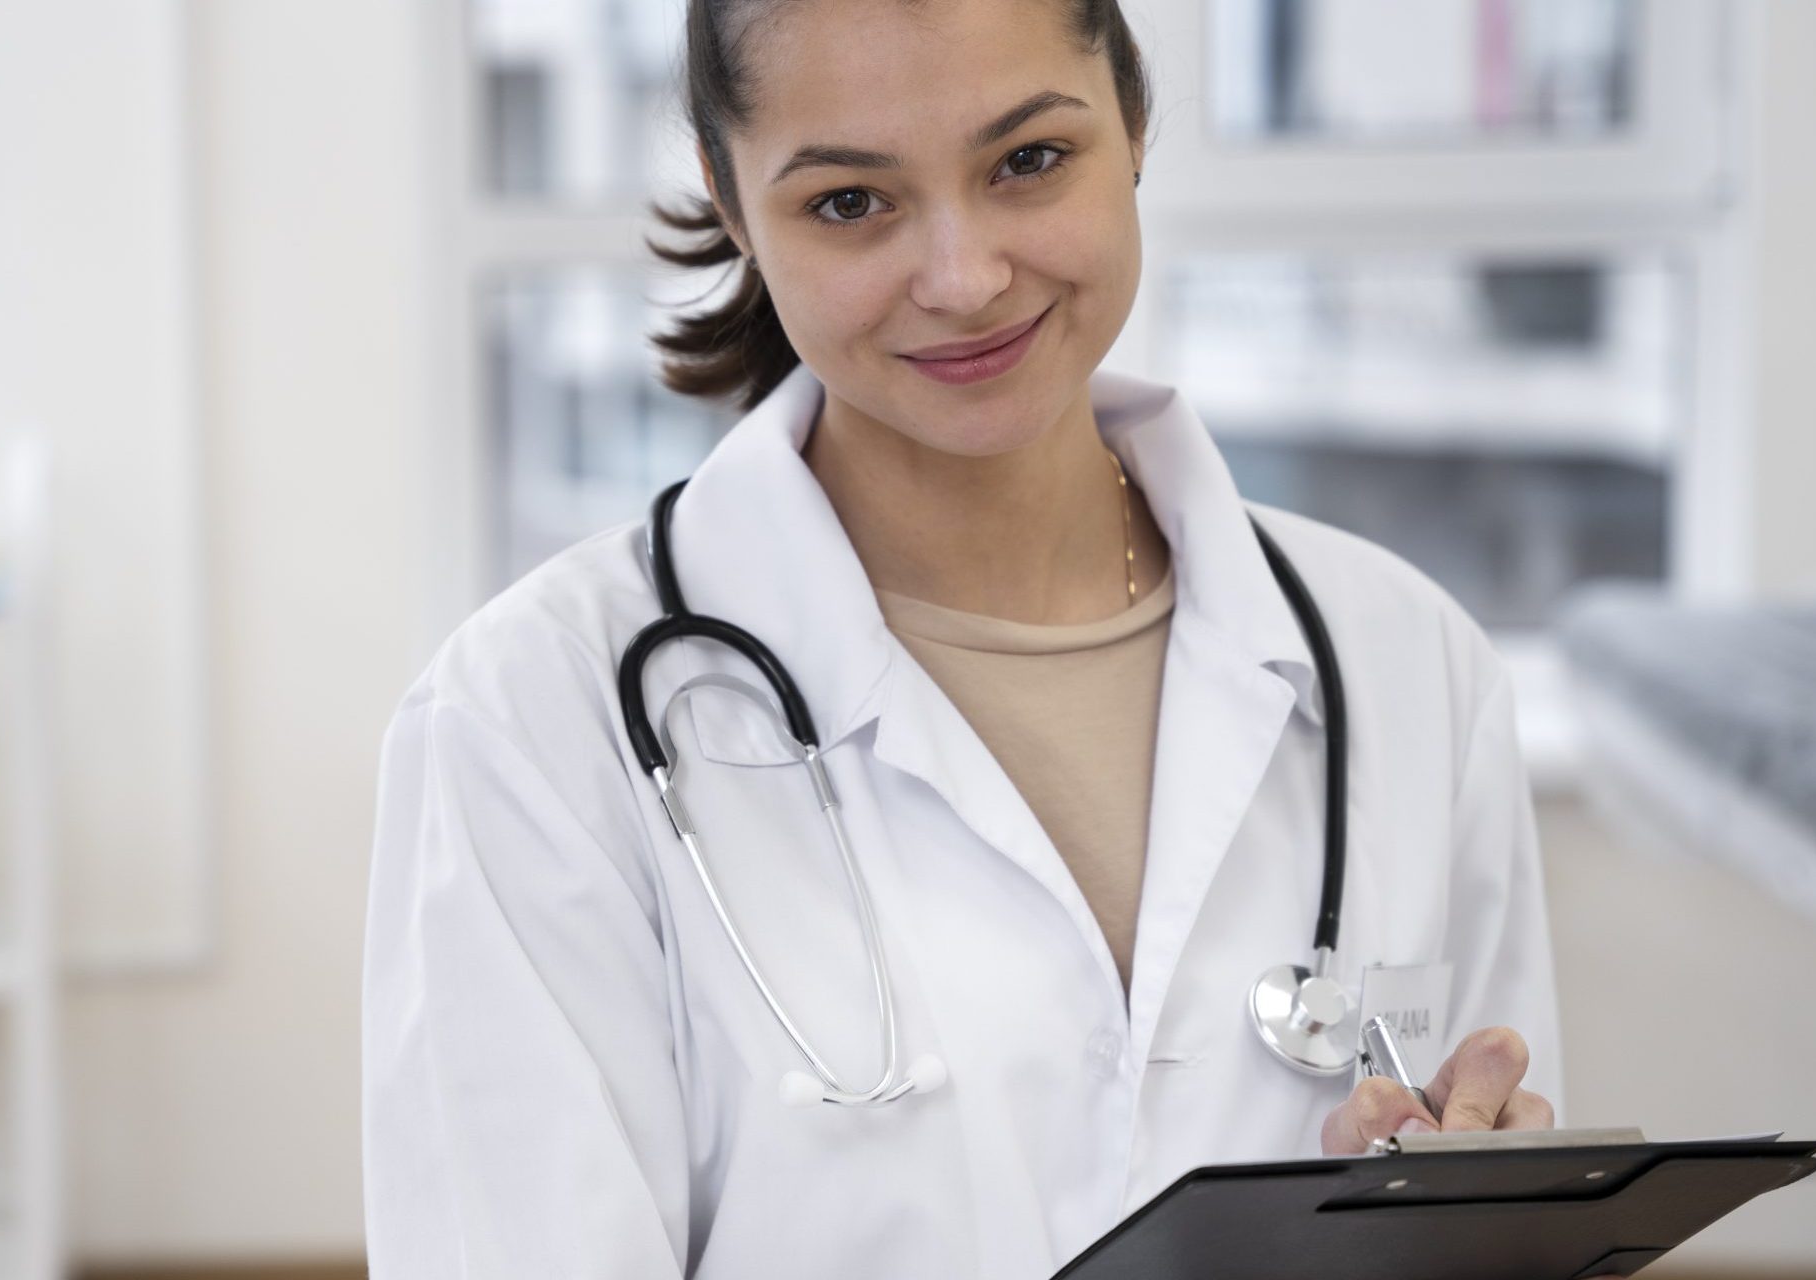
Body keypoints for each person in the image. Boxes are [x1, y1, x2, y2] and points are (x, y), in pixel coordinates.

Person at [365, 0, 1562, 1274]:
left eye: (1029, 162)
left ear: (1134, 122)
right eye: (848, 203)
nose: (964, 276)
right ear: (728, 200)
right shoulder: (530, 720)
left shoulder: (1404, 661)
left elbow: (1479, 1211)